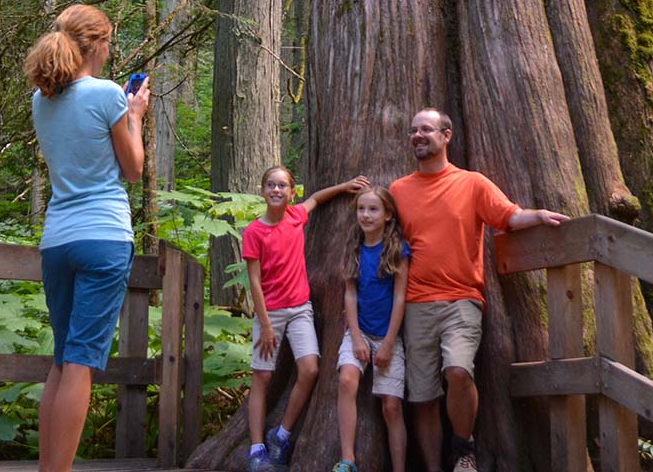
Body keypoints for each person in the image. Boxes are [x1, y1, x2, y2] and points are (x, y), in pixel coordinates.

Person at [389, 108, 568, 472]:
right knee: (422, 396)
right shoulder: (399, 191)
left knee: (458, 371)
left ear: (446, 135)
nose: (418, 136)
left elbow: (508, 215)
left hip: (461, 299)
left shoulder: (472, 183)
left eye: (426, 129)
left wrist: (537, 216)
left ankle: (464, 448)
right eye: (413, 131)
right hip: (415, 304)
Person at [24, 4, 151, 472]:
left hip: (57, 240)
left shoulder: (43, 99)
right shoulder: (107, 96)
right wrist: (134, 113)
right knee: (80, 363)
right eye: (109, 41)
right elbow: (132, 169)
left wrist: (118, 106)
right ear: (97, 44)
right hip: (103, 236)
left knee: (61, 361)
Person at [243, 167, 369, 472]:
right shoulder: (254, 231)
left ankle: (282, 434)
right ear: (263, 191)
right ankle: (257, 449)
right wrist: (266, 324)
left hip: (300, 308)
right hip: (268, 312)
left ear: (290, 192)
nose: (276, 190)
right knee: (261, 377)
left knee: (310, 368)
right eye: (270, 185)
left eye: (282, 186)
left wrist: (345, 186)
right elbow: (255, 282)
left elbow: (315, 198)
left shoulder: (296, 216)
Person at [332, 187, 410, 472]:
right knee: (346, 380)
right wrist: (354, 337)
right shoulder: (353, 247)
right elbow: (349, 294)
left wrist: (389, 343)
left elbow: (401, 297)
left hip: (390, 335)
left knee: (391, 404)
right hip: (359, 331)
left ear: (388, 215)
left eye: (373, 209)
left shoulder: (398, 250)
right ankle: (347, 459)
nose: (365, 215)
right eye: (361, 209)